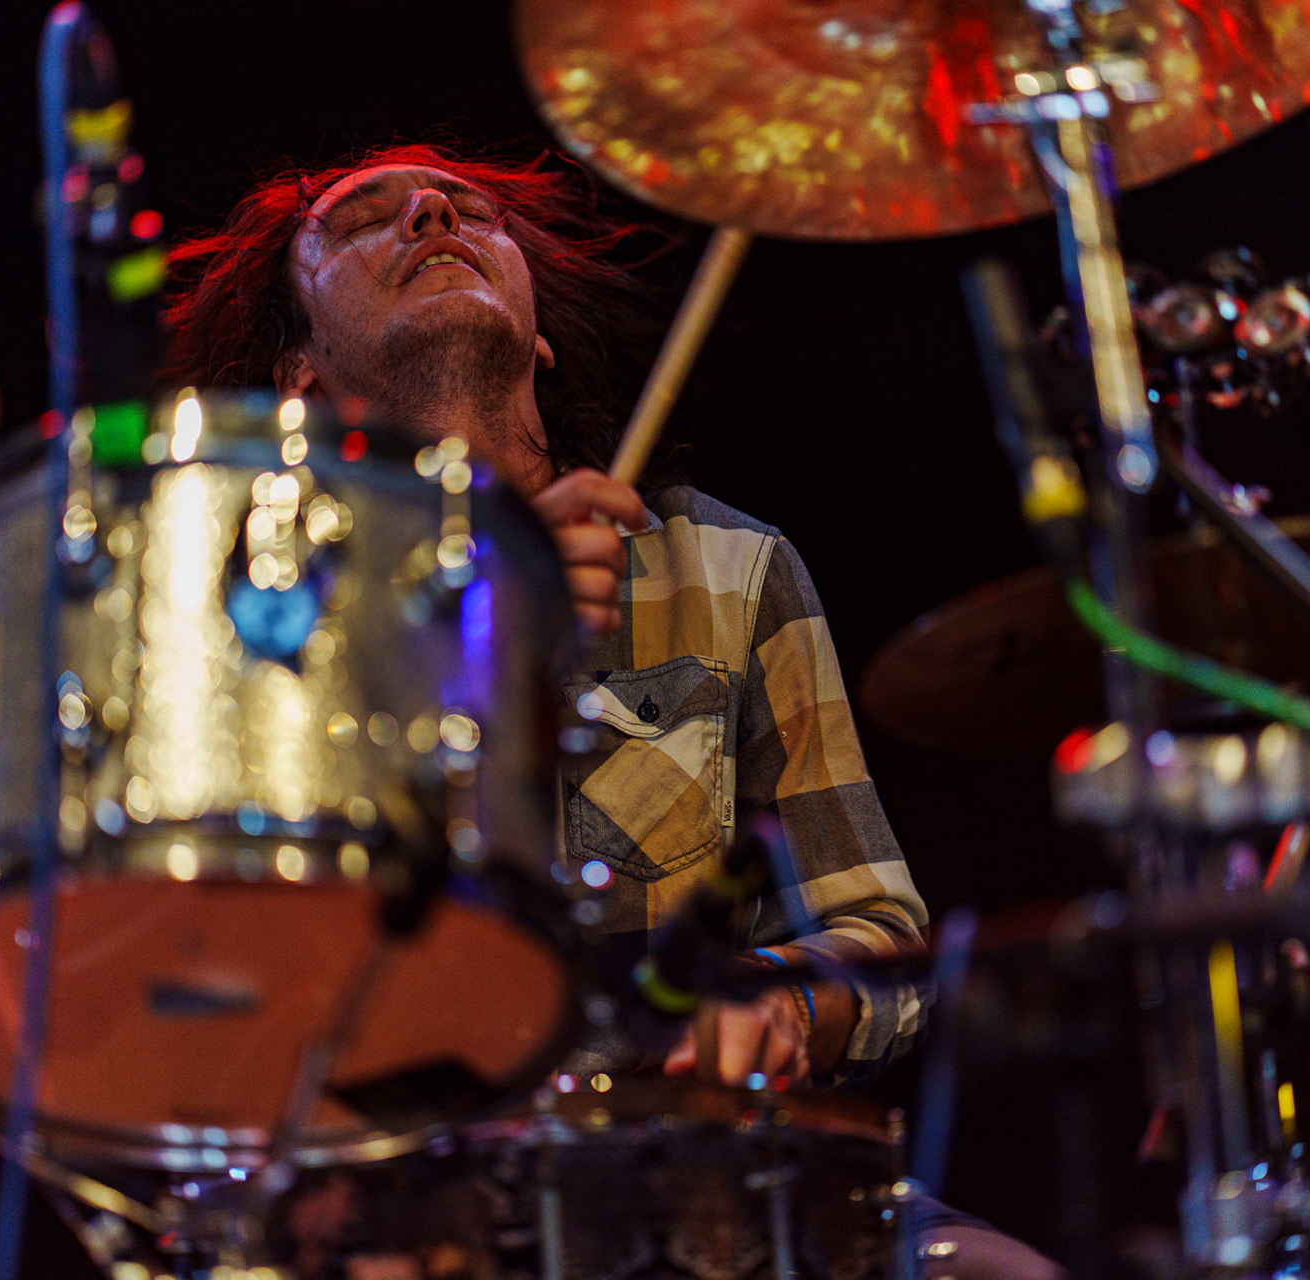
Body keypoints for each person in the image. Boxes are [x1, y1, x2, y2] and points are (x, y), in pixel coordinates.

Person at [164, 141, 1062, 1279]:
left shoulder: (725, 568)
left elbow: (877, 928)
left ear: (535, 330)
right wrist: (482, 623)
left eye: (472, 210)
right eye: (363, 221)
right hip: (396, 1196)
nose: (436, 210)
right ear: (300, 373)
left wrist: (778, 1006)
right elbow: (226, 983)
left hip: (702, 1190)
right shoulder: (264, 614)